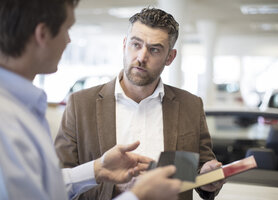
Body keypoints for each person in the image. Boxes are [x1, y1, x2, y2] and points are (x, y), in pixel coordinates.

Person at [0, 1, 181, 200]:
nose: (69, 40)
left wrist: (96, 169)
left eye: (154, 49)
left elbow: (43, 187)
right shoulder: (7, 121)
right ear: (42, 34)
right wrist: (138, 196)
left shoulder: (23, 108)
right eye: (67, 29)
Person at [55, 7, 225, 200]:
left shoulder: (190, 105)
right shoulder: (81, 105)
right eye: (136, 45)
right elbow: (57, 182)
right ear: (125, 44)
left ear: (170, 57)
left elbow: (200, 172)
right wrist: (120, 189)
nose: (142, 57)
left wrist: (208, 176)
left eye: (154, 49)